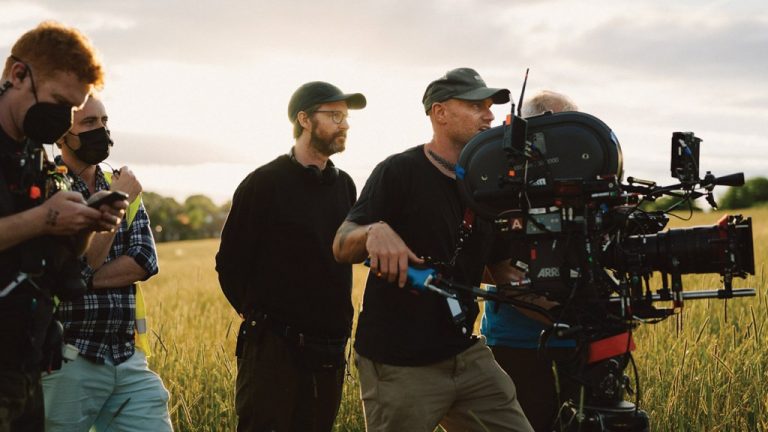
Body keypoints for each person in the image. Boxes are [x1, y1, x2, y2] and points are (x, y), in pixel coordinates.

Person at [333, 67, 533, 432]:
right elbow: (341, 243)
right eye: (476, 105)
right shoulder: (399, 171)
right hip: (400, 364)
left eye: (490, 107)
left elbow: (499, 268)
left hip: (466, 353)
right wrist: (372, 232)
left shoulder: (489, 185)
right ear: (439, 113)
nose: (489, 115)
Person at [216, 81, 366, 432]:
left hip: (329, 348)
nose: (344, 124)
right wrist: (261, 319)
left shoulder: (345, 185)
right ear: (304, 119)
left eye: (345, 117)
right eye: (334, 115)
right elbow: (230, 263)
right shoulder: (263, 183)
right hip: (273, 349)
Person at [0, 22, 126, 432]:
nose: (62, 120)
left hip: (24, 360)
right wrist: (46, 217)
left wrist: (85, 223)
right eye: (56, 101)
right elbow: (37, 223)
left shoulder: (35, 155)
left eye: (73, 110)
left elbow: (53, 260)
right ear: (17, 74)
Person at [40, 95, 171, 432]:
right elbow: (71, 269)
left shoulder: (120, 183)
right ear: (61, 137)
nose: (101, 130)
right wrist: (117, 205)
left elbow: (143, 260)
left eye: (104, 122)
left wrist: (78, 279)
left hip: (126, 357)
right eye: (88, 123)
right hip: (69, 360)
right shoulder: (50, 190)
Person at [481, 89, 580, 432]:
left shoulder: (585, 178)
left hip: (577, 334)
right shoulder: (497, 182)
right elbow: (478, 261)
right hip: (515, 340)